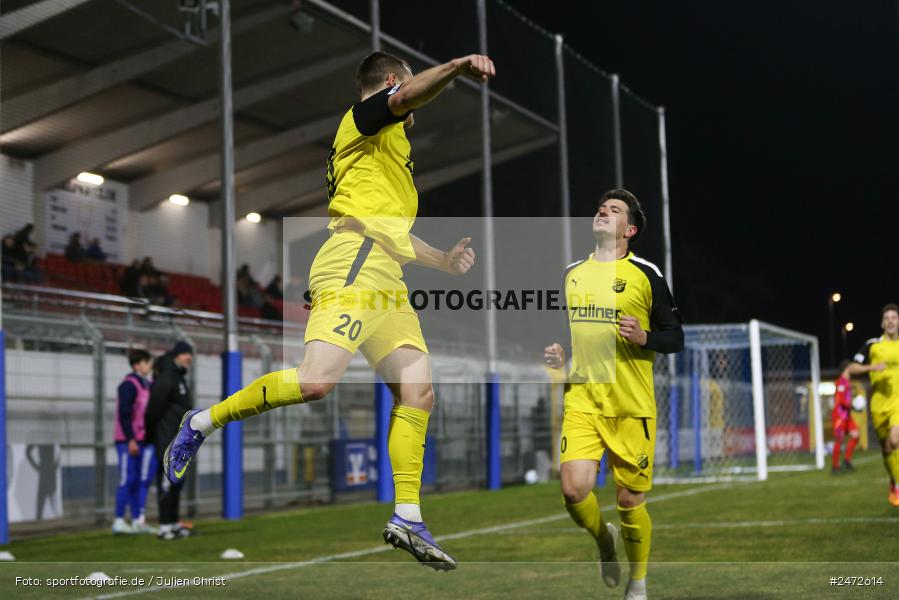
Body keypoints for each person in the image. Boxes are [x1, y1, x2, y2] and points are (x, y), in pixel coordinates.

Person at [162, 50, 494, 569]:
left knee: (419, 392)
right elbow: (409, 96)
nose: (412, 104)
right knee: (317, 382)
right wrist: (453, 69)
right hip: (354, 262)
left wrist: (445, 262)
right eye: (402, 90)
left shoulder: (388, 146)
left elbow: (395, 234)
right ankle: (202, 421)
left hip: (387, 277)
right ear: (389, 84)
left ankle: (407, 516)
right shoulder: (364, 118)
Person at [544, 189, 683, 600]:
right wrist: (559, 353)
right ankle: (605, 541)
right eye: (602, 207)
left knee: (629, 500)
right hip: (583, 398)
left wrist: (644, 337)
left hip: (630, 405)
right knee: (573, 490)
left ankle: (637, 583)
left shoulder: (647, 274)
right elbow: (566, 333)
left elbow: (675, 337)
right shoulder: (572, 274)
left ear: (630, 229)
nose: (604, 210)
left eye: (615, 210)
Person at [849, 303, 899, 507]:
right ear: (882, 323)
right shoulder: (873, 345)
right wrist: (872, 367)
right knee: (887, 450)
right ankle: (894, 480)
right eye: (887, 318)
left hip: (898, 403)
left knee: (895, 440)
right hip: (878, 406)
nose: (890, 321)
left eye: (894, 317)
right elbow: (852, 367)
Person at [145, 341, 195, 540]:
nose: (189, 357)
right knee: (167, 482)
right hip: (168, 439)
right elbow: (154, 409)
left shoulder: (178, 377)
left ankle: (173, 524)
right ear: (176, 355)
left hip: (181, 439)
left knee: (177, 482)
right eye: (185, 353)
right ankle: (164, 526)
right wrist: (150, 436)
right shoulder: (168, 377)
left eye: (190, 354)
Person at [112, 350, 156, 534]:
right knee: (127, 479)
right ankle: (119, 520)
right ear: (137, 365)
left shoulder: (148, 385)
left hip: (142, 439)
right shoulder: (128, 385)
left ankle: (139, 520)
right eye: (146, 363)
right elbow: (124, 414)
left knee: (140, 480)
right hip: (127, 440)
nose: (149, 366)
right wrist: (130, 438)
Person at [831, 360, 859, 473]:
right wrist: (853, 405)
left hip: (847, 415)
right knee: (839, 440)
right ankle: (834, 466)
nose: (852, 369)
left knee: (856, 435)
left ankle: (847, 460)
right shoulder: (841, 382)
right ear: (846, 368)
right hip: (840, 416)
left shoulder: (847, 381)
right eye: (850, 367)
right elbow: (841, 400)